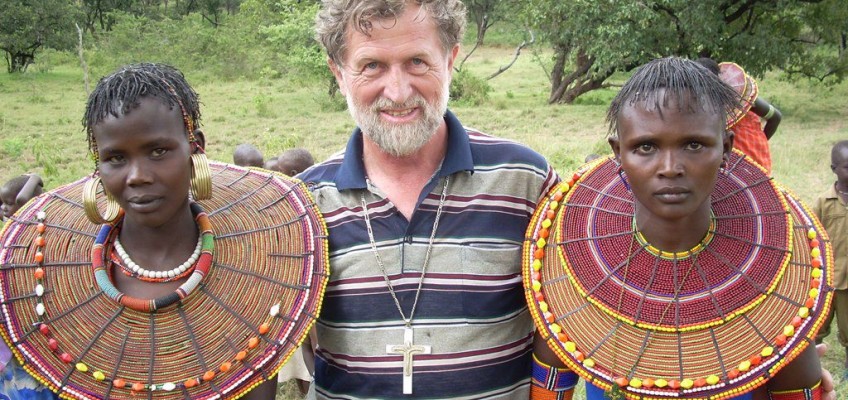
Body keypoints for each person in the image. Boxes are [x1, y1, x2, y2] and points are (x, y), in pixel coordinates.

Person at [0, 63, 328, 399]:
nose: (137, 176)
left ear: (195, 146)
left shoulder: (262, 266)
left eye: (158, 151)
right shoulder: (35, 281)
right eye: (115, 158)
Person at [525, 57, 830, 400]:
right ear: (618, 153)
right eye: (646, 147)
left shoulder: (782, 281)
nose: (670, 168)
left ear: (726, 148)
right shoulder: (567, 270)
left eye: (694, 145)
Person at [299, 0, 557, 397]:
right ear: (339, 74)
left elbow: (561, 328)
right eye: (372, 66)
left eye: (417, 62)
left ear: (450, 61)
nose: (398, 92)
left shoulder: (526, 182)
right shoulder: (304, 203)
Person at [696, 58, 782, 173]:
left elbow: (775, 117)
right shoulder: (697, 105)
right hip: (727, 168)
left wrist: (759, 143)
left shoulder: (742, 96)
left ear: (718, 79)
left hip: (757, 163)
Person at [814, 140, 848, 373]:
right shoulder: (823, 202)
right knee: (816, 323)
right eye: (847, 167)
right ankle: (811, 364)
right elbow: (811, 236)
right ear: (834, 169)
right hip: (825, 279)